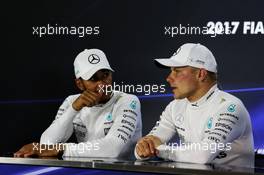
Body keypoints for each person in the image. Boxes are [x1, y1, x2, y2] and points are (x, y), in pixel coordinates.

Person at [135, 43, 254, 167]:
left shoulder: (231, 107)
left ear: (201, 74)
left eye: (177, 71)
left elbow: (203, 155)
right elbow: (144, 147)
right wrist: (143, 150)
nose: (169, 78)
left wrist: (160, 151)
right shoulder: (175, 106)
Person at [14, 49, 142, 158]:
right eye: (93, 79)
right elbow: (47, 143)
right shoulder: (72, 101)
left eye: (105, 75)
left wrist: (63, 149)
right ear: (80, 84)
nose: (102, 84)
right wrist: (74, 109)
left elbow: (113, 148)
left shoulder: (128, 101)